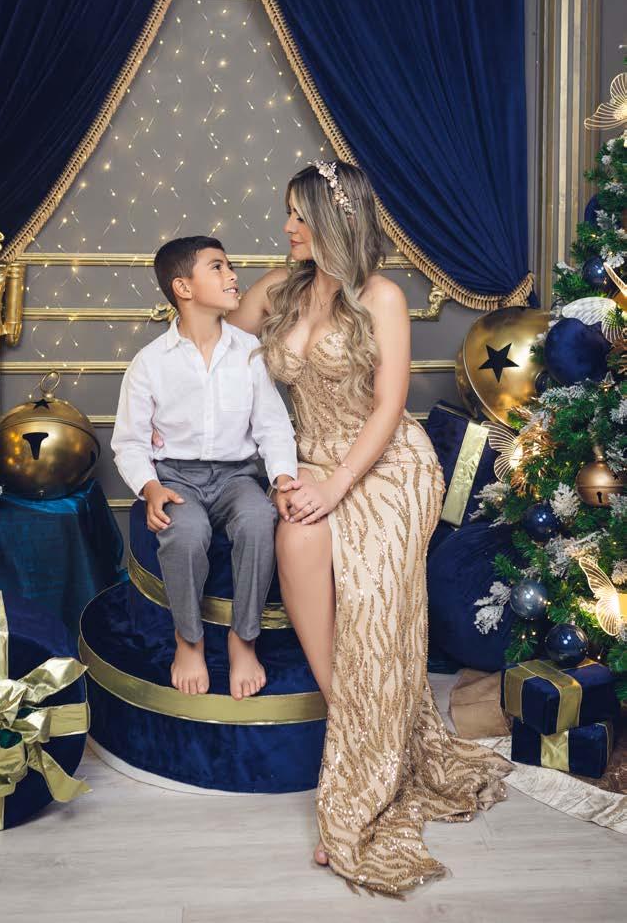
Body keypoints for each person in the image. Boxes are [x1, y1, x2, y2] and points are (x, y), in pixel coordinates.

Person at [229, 161, 511, 897]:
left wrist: (336, 485)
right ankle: (367, 735)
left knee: (374, 593)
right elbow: (210, 350)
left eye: (299, 215)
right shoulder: (278, 291)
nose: (287, 227)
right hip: (308, 458)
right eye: (289, 213)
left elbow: (388, 408)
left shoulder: (381, 296)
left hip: (385, 463)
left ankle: (359, 782)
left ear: (335, 220)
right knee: (297, 538)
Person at [111, 235, 297, 701]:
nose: (232, 275)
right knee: (186, 532)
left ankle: (244, 639)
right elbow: (129, 442)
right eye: (218, 267)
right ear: (184, 288)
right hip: (177, 478)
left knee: (258, 519)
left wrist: (282, 477)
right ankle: (188, 639)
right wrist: (150, 487)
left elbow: (273, 427)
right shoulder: (149, 363)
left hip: (237, 477)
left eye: (230, 265)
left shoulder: (250, 352)